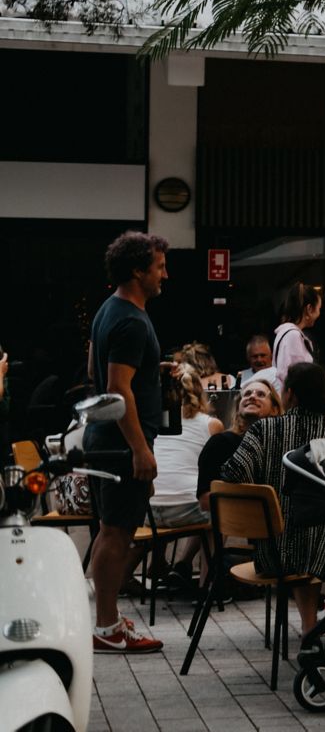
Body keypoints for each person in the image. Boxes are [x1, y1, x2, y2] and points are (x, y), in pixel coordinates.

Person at [221, 362, 325, 634]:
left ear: (291, 395)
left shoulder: (264, 431)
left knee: (302, 536)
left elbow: (233, 474)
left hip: (271, 554)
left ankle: (312, 628)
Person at [86, 230, 169, 655]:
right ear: (138, 271)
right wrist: (140, 449)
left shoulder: (109, 309)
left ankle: (106, 619)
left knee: (110, 530)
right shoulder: (132, 320)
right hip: (121, 443)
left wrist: (153, 368)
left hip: (104, 437)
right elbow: (119, 390)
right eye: (159, 267)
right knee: (118, 534)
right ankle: (105, 627)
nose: (165, 275)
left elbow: (94, 369)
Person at [150, 363, 223, 528]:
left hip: (148, 510)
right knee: (220, 510)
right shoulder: (211, 425)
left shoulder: (153, 422)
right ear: (199, 390)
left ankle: (169, 555)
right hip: (187, 508)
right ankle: (208, 555)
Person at [197, 373, 282, 510]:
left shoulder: (281, 444)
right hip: (234, 527)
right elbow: (205, 501)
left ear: (275, 409)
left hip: (277, 525)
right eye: (247, 394)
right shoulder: (220, 443)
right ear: (238, 408)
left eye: (260, 394)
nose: (252, 396)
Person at [273, 281, 322, 391]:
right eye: (319, 308)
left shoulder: (286, 333)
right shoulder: (293, 335)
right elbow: (294, 377)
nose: (319, 313)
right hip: (294, 402)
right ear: (309, 309)